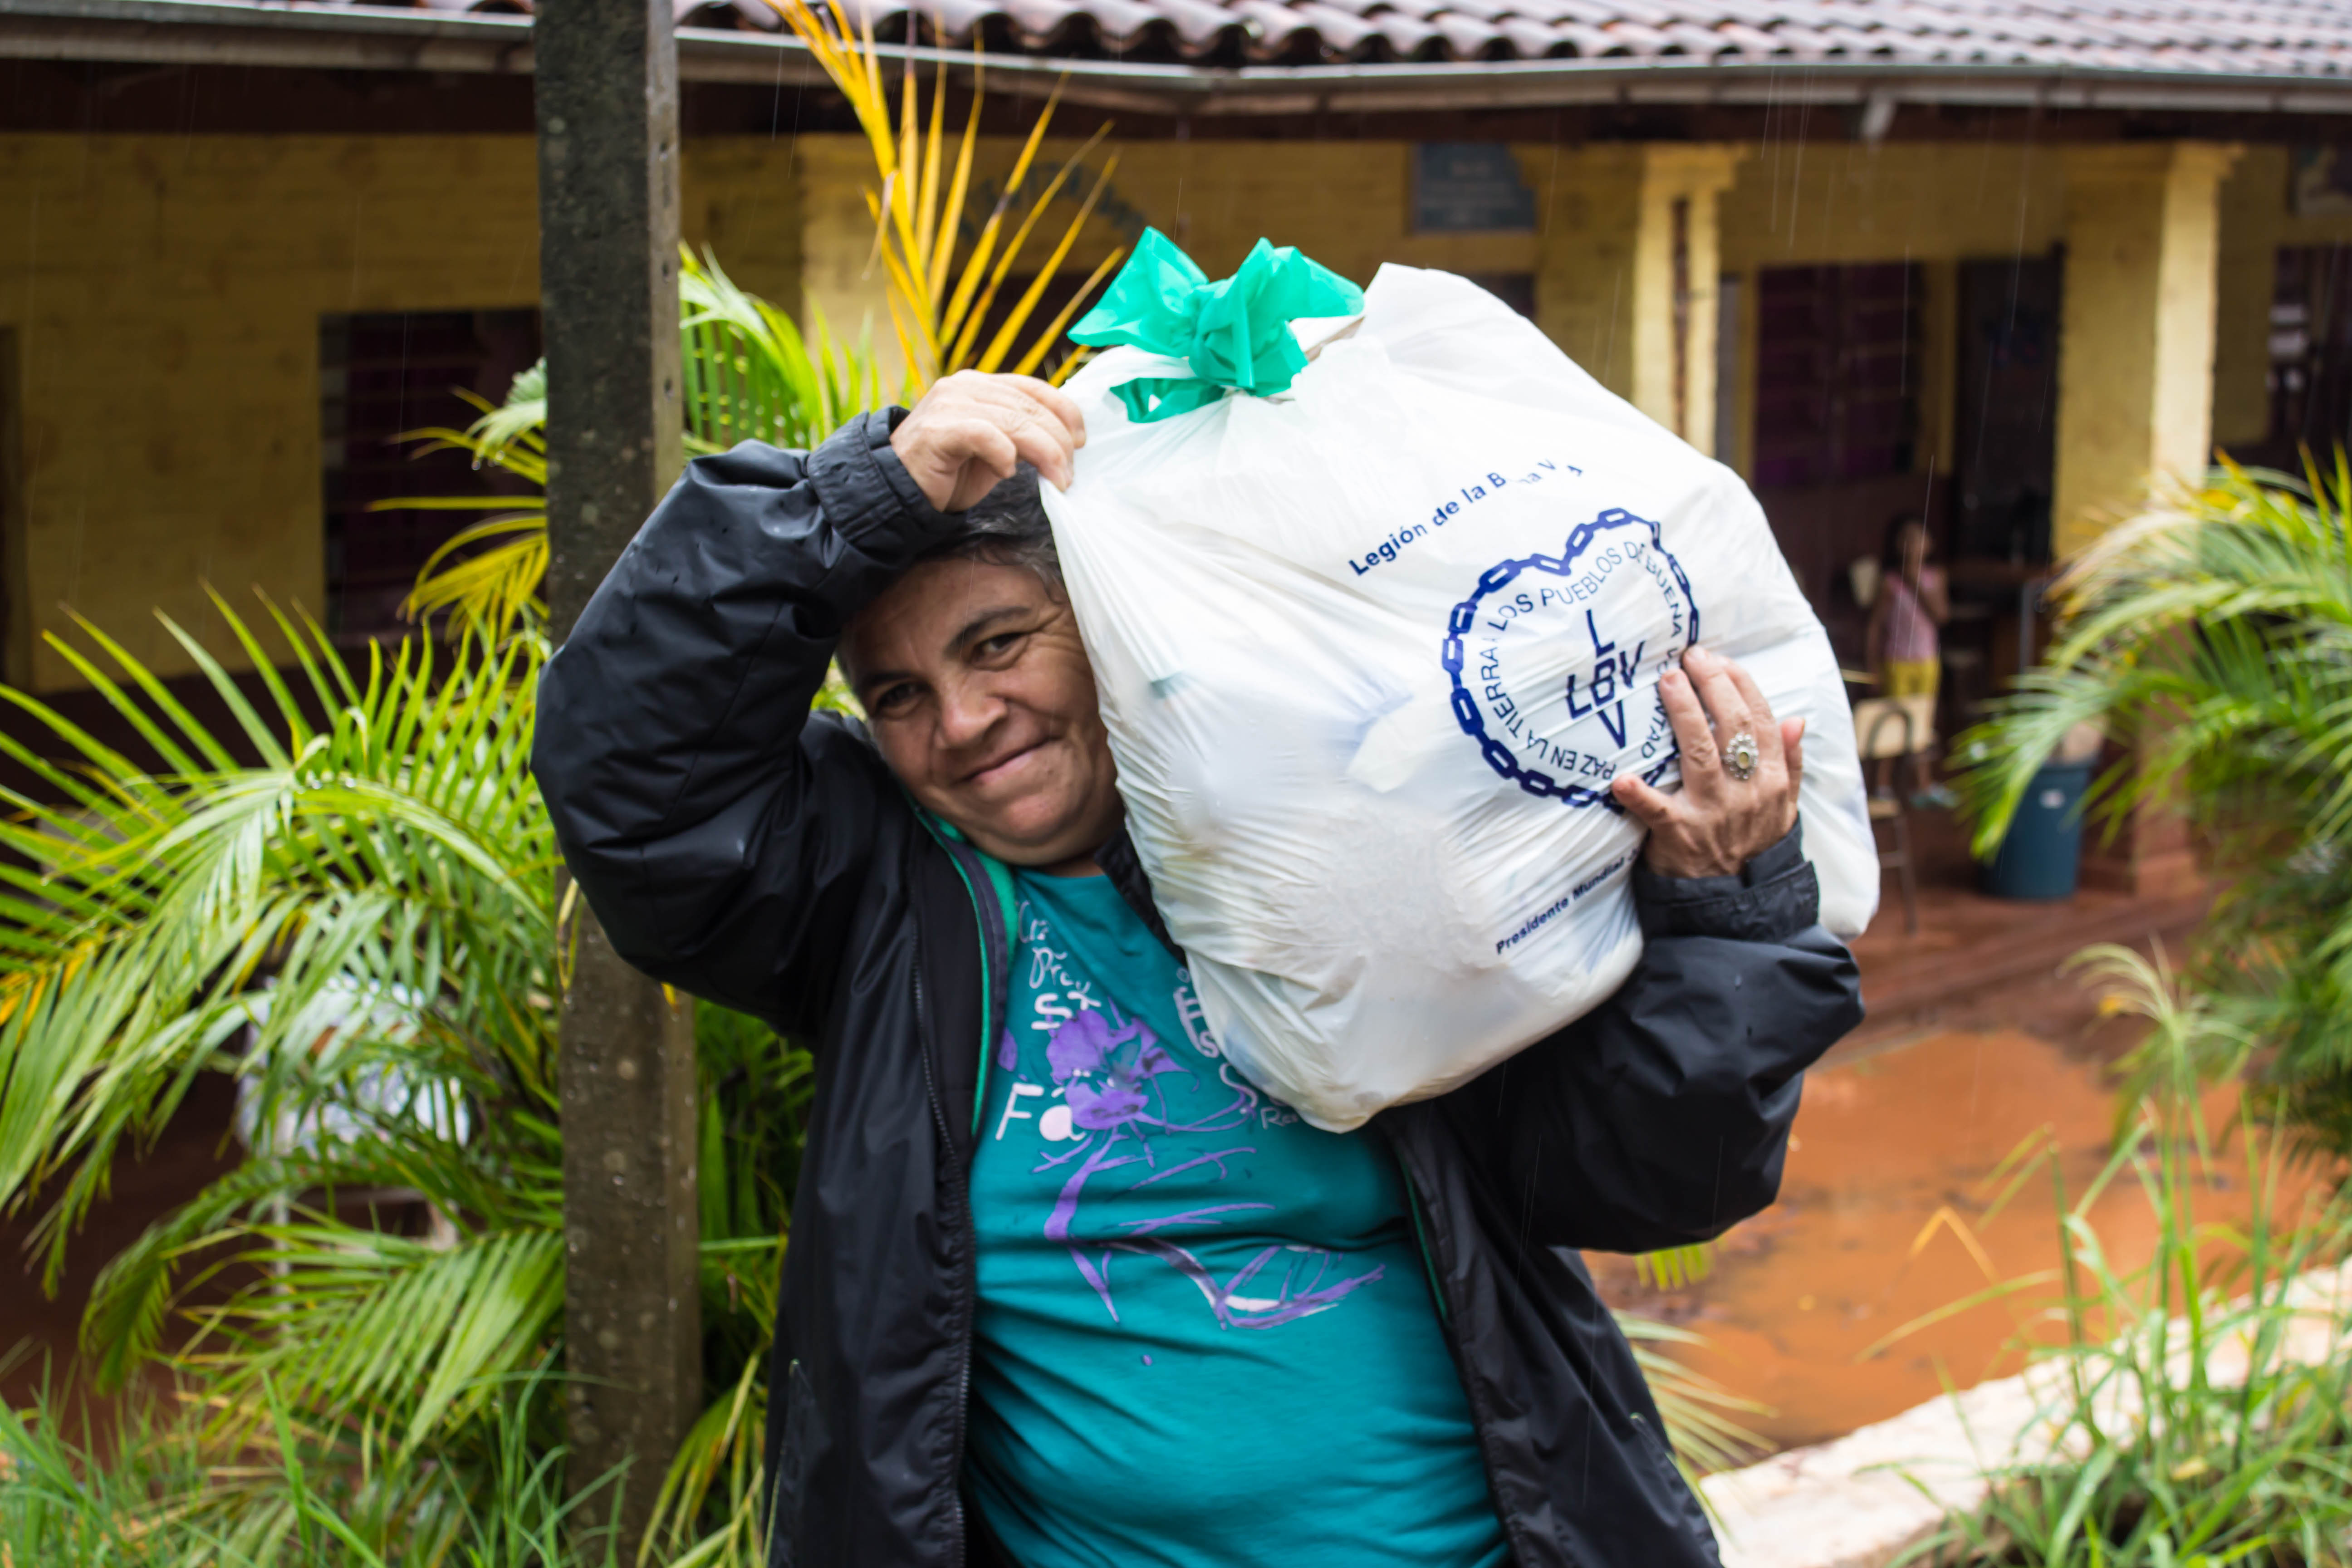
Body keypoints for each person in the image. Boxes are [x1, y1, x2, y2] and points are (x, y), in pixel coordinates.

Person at [534, 372, 1865, 1568]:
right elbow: (631, 785)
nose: (962, 722)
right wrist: (859, 496)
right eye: (896, 695)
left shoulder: (1345, 847)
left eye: (998, 644)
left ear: (1110, 626)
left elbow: (1658, 1179)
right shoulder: (874, 896)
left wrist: (1719, 911)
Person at [1864, 511, 1951, 806]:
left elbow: (1941, 615)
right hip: (1896, 662)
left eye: (1919, 538)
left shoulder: (1935, 577)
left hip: (1927, 662)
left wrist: (1915, 580)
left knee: (1922, 724)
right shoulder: (1889, 582)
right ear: (1897, 544)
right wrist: (1873, 666)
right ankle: (1882, 786)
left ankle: (1923, 785)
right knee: (1892, 721)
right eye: (1907, 539)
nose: (1913, 545)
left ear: (1930, 543)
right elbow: (1875, 626)